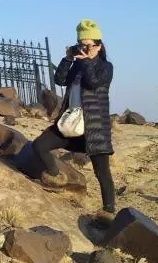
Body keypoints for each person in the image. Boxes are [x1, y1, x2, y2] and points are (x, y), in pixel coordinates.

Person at [31, 19, 116, 222]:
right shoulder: (78, 65)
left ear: (99, 46)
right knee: (39, 145)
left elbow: (93, 82)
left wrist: (85, 61)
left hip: (94, 128)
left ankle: (109, 211)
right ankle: (55, 176)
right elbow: (60, 80)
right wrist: (68, 59)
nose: (84, 49)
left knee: (102, 172)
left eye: (89, 45)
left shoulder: (106, 67)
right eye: (81, 45)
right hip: (71, 124)